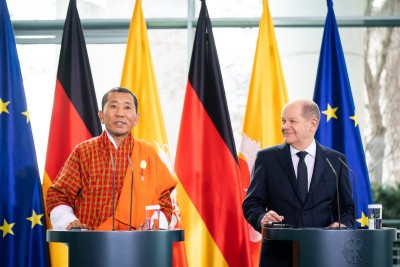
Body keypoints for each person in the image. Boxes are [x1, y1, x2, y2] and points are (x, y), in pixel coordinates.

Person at [242, 99, 355, 266]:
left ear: (312, 124)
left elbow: (347, 209)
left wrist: (341, 224)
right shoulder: (266, 158)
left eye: (292, 121)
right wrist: (261, 218)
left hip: (322, 254)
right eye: (283, 121)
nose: (284, 126)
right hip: (277, 257)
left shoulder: (336, 161)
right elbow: (251, 203)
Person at [46, 87, 177, 231]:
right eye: (113, 106)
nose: (120, 113)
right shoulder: (83, 151)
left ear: (136, 118)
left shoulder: (148, 153)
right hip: (91, 243)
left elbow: (164, 199)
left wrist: (152, 224)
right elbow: (58, 195)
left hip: (139, 244)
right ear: (101, 115)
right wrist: (69, 222)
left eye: (127, 107)